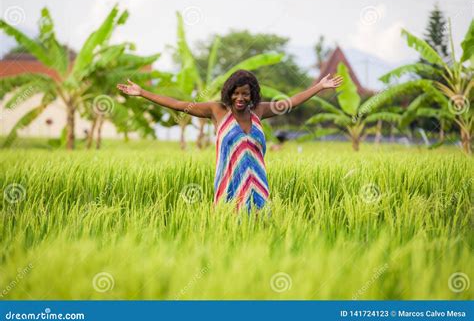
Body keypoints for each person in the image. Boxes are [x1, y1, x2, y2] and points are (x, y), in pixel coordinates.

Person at [117, 69, 342, 213]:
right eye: (235, 93)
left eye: (245, 93)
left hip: (258, 186)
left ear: (252, 94)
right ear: (228, 93)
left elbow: (291, 102)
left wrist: (319, 87)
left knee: (259, 235)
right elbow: (177, 104)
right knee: (229, 234)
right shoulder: (217, 110)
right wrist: (143, 92)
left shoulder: (260, 111)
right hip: (228, 186)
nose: (240, 98)